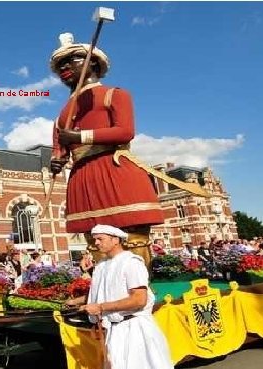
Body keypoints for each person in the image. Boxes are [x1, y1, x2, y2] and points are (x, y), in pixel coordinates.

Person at [48, 32, 169, 266]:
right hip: (82, 176)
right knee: (96, 240)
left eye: (73, 59)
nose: (65, 66)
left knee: (131, 237)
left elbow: (125, 131)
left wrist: (79, 135)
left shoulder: (116, 94)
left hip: (114, 168)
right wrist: (56, 160)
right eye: (60, 63)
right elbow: (59, 150)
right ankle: (107, 292)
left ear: (93, 62)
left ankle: (139, 293)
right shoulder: (60, 117)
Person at [66, 224, 173, 369]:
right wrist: (74, 302)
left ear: (115, 240)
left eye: (100, 239)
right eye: (95, 239)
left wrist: (100, 307)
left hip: (136, 330)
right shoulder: (102, 266)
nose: (96, 242)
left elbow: (139, 300)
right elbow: (101, 295)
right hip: (114, 331)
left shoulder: (131, 263)